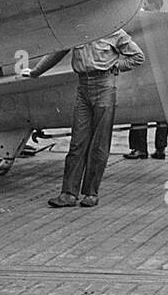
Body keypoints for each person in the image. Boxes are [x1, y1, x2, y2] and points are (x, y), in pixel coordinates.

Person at [47, 29, 145, 208]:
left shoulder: (115, 32)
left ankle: (91, 193)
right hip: (83, 87)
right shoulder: (76, 30)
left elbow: (138, 56)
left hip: (104, 87)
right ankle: (68, 193)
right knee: (77, 141)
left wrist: (116, 66)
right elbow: (57, 53)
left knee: (99, 144)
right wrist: (35, 73)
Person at [126, 0, 168, 160]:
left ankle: (139, 149)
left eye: (146, 3)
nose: (144, 6)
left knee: (139, 111)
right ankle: (161, 149)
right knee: (163, 114)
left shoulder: (143, 22)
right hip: (164, 76)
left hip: (144, 74)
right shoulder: (167, 23)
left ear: (152, 4)